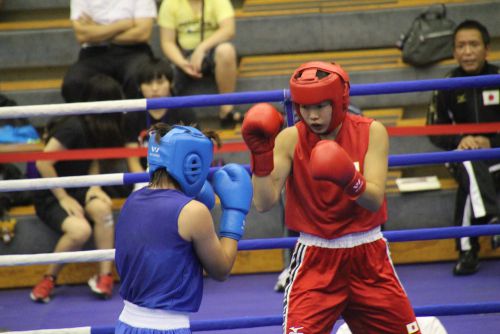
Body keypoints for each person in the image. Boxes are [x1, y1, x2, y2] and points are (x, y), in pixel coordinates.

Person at [242, 61, 420, 334]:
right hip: (316, 258)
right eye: (305, 107)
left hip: (368, 256)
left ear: (340, 101)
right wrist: (261, 157)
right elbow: (263, 203)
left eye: (320, 106)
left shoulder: (372, 132)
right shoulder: (290, 139)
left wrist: (349, 178)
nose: (312, 116)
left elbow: (373, 199)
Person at [114, 123, 253, 334]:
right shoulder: (193, 212)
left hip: (125, 324)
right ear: (194, 162)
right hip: (166, 328)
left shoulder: (132, 200)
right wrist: (235, 213)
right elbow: (221, 269)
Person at [30, 75, 126, 303]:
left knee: (103, 209)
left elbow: (91, 161)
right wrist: (63, 197)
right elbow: (43, 162)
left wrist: (94, 186)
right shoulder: (73, 127)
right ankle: (48, 279)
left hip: (78, 187)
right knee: (80, 231)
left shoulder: (97, 127)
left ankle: (104, 276)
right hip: (52, 192)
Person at [427, 19, 500, 276]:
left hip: (497, 154)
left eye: (473, 44)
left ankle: (468, 250)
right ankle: (493, 216)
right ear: (455, 51)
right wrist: (461, 138)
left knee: (472, 185)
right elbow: (433, 128)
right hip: (461, 155)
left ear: (486, 49)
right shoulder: (446, 84)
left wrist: (491, 142)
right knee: (469, 160)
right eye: (461, 46)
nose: (467, 51)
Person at [157, 0, 241, 128]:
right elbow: (167, 42)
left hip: (211, 50)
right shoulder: (169, 3)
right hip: (182, 55)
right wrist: (182, 63)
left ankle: (226, 110)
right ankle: (165, 120)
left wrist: (201, 49)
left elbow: (229, 30)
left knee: (226, 51)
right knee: (161, 77)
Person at [123, 57, 198, 188]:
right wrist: (149, 183)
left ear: (171, 83)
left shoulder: (184, 112)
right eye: (148, 83)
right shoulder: (132, 116)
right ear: (140, 87)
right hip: (145, 178)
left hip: (179, 177)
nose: (154, 88)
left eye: (160, 81)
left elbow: (193, 154)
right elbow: (133, 161)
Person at [62, 0, 157, 102]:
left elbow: (142, 34)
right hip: (94, 52)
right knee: (74, 81)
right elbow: (82, 35)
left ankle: (135, 117)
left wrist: (97, 29)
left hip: (133, 51)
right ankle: (86, 118)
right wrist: (122, 25)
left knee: (138, 75)